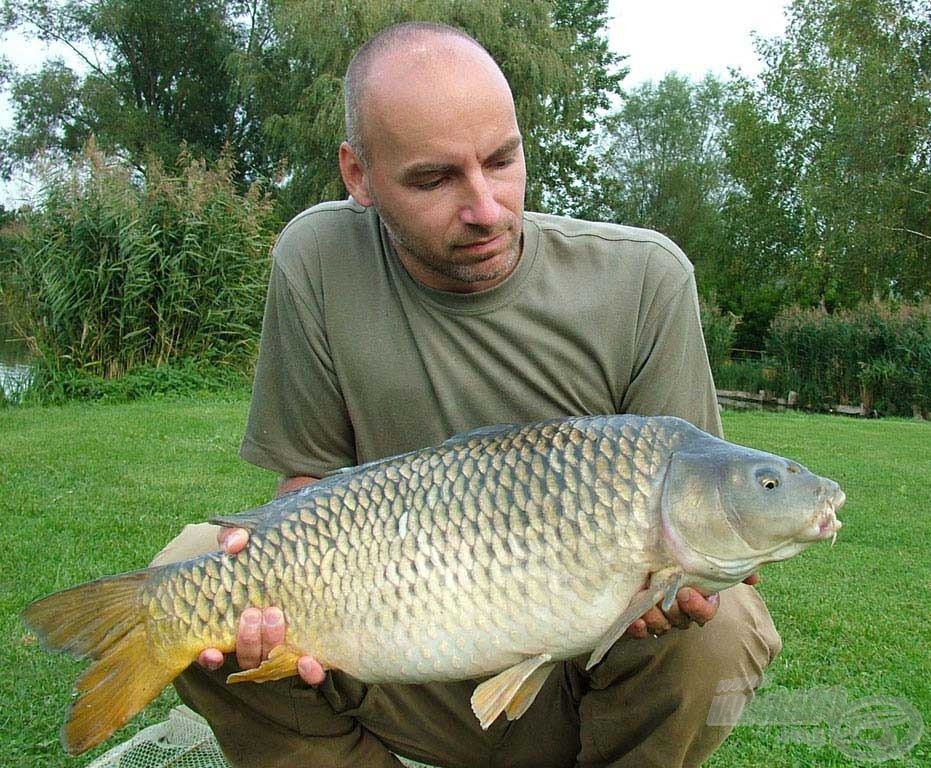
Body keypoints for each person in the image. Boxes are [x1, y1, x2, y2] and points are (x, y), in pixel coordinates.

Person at [154, 21, 781, 768]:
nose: (485, 208)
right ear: (358, 175)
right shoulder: (316, 258)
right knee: (192, 571)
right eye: (433, 179)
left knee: (725, 623)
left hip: (579, 674)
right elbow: (306, 485)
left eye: (502, 161)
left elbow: (700, 514)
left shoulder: (644, 281)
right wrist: (286, 614)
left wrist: (680, 589)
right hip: (388, 638)